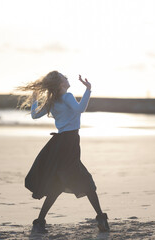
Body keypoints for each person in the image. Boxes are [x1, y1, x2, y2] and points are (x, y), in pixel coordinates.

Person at [16, 71, 109, 233]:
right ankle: (101, 219)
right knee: (85, 181)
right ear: (60, 83)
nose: (67, 78)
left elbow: (34, 115)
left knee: (57, 184)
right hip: (69, 143)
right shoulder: (67, 96)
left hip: (59, 144)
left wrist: (35, 99)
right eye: (64, 77)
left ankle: (39, 222)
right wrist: (88, 89)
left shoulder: (52, 101)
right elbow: (80, 109)